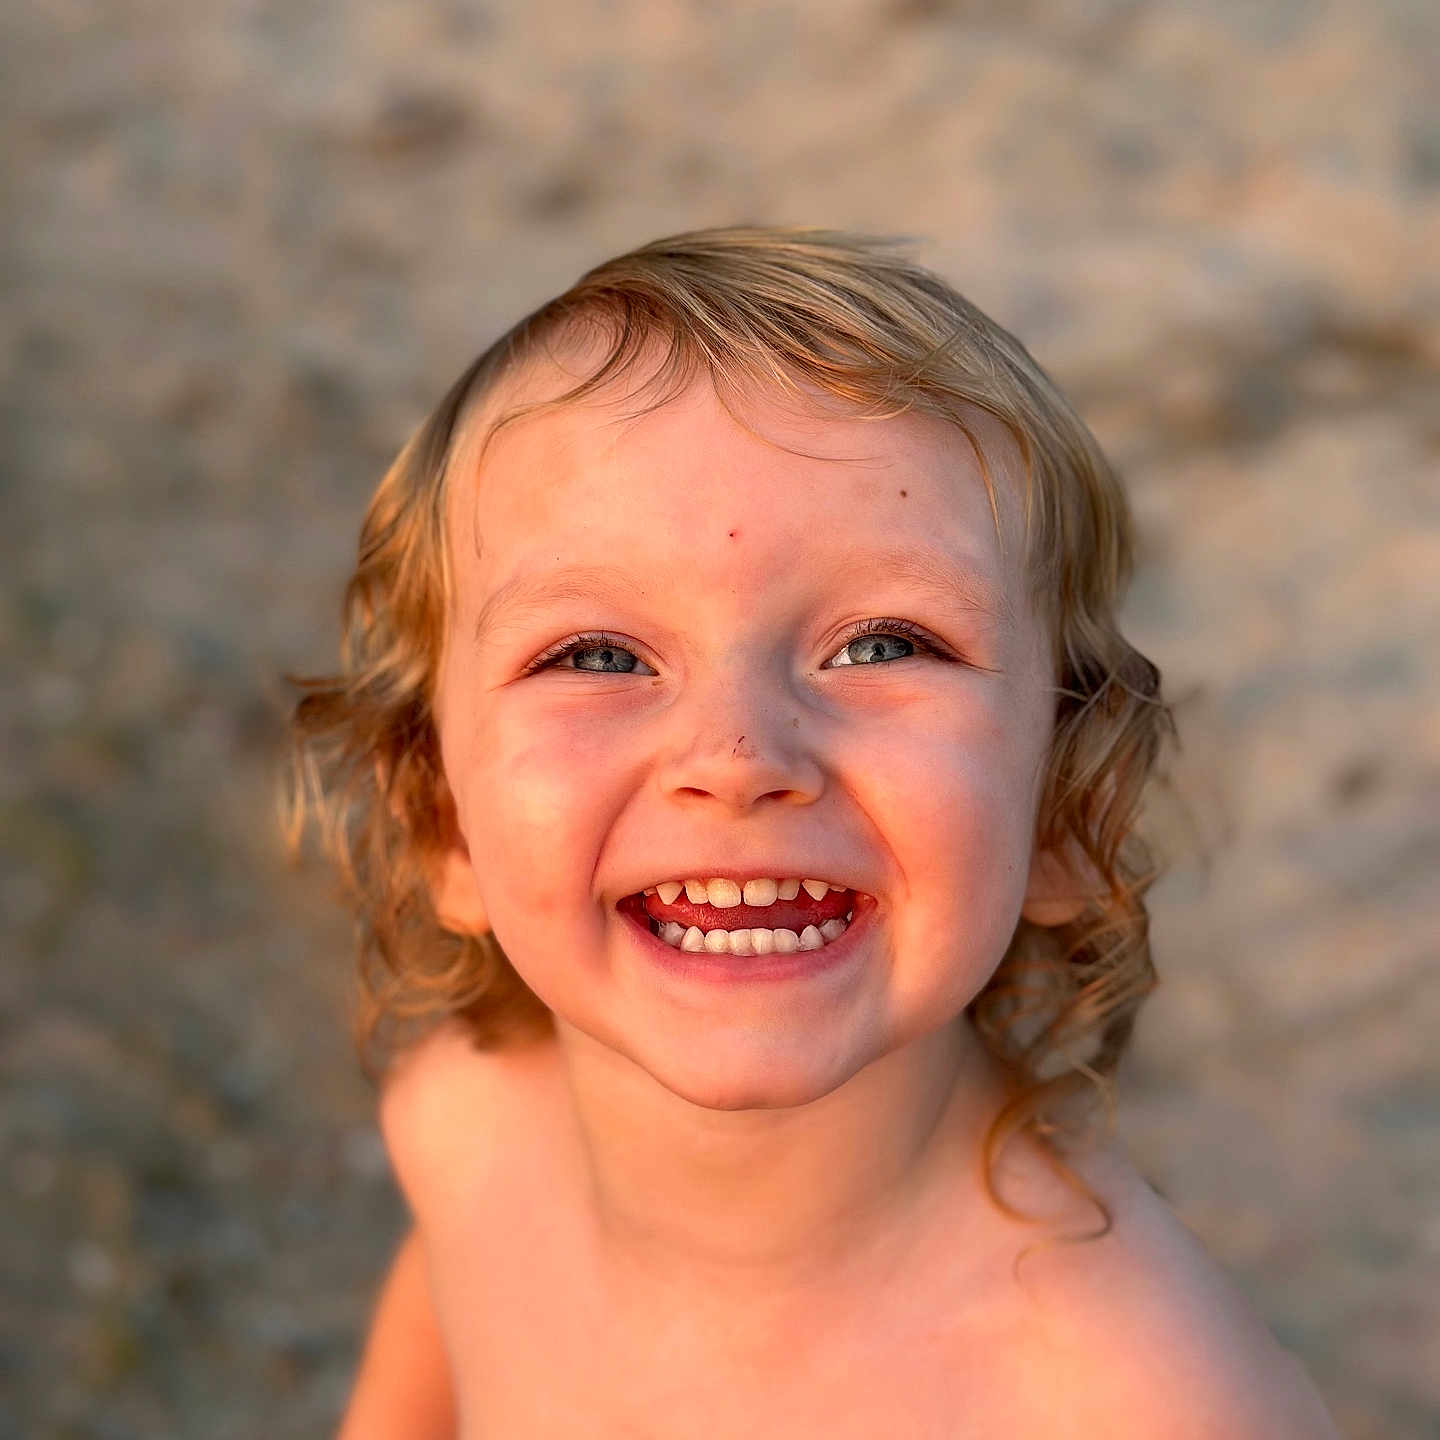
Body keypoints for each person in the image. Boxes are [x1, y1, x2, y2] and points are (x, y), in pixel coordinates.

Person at [290, 228, 1339, 1437]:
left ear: (1065, 809)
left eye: (885, 644)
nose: (737, 760)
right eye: (595, 654)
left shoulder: (1135, 1401)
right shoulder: (469, 1130)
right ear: (441, 820)